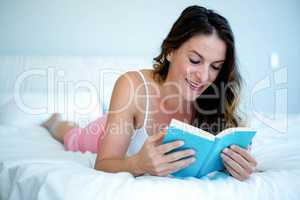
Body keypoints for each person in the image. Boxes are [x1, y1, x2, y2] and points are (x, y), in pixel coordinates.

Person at [42, 5, 257, 181]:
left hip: (124, 121)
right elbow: (103, 163)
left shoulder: (213, 98)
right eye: (195, 60)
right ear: (171, 50)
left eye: (215, 66)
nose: (203, 77)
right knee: (71, 135)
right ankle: (55, 121)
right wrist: (138, 164)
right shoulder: (132, 86)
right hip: (102, 131)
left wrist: (234, 165)